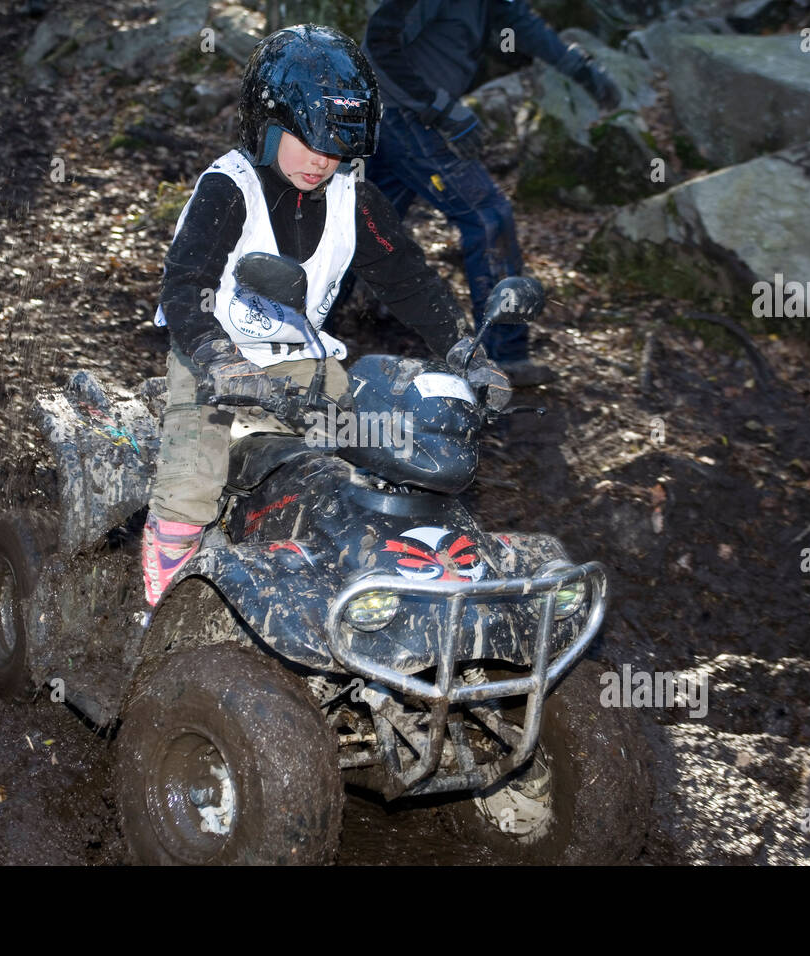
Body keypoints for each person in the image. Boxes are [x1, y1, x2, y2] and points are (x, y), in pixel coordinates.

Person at [143, 24, 511, 606]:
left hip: (308, 366)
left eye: (336, 147)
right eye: (308, 142)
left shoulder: (354, 201)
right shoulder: (228, 189)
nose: (321, 161)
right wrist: (219, 359)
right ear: (266, 126)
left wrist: (465, 350)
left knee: (379, 459)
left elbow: (409, 281)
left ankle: (362, 593)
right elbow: (186, 287)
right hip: (213, 360)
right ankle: (162, 606)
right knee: (192, 482)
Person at [362, 0, 620, 386]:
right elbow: (379, 46)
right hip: (406, 118)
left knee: (362, 220)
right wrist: (440, 107)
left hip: (406, 116)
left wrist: (581, 70)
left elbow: (523, 25)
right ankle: (504, 356)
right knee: (488, 216)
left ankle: (325, 322)